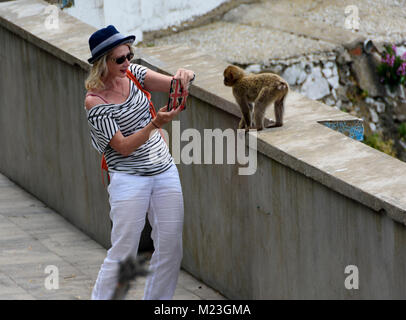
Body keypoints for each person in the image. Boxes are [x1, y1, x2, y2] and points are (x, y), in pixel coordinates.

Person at [84, 25, 195, 300]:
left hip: (164, 171)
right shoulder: (94, 101)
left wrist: (187, 74)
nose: (127, 62)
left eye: (129, 55)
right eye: (119, 59)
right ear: (103, 64)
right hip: (128, 178)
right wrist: (154, 125)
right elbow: (121, 147)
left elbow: (174, 84)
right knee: (124, 252)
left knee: (171, 247)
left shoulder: (135, 74)